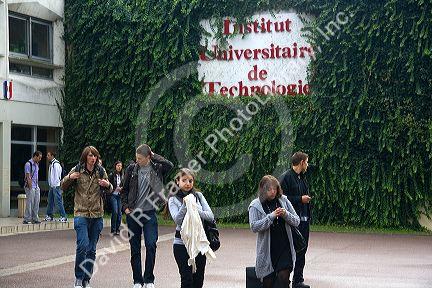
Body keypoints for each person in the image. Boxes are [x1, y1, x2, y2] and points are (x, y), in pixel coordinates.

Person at [122, 144, 173, 288]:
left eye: (140, 158)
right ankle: (137, 280)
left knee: (151, 244)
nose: (137, 160)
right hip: (134, 214)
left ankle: (149, 279)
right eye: (136, 157)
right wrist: (125, 207)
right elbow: (124, 191)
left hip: (150, 213)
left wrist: (154, 154)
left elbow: (169, 165)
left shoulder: (157, 168)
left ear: (148, 157)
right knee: (135, 248)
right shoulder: (131, 169)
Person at [61, 146, 113, 288]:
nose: (93, 158)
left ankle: (86, 279)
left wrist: (107, 184)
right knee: (83, 245)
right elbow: (62, 186)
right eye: (90, 156)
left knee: (91, 249)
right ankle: (78, 278)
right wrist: (69, 178)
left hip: (97, 214)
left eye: (95, 156)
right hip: (81, 213)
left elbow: (111, 188)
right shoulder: (77, 169)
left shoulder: (101, 171)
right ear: (85, 157)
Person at [249, 175, 300, 288]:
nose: (273, 192)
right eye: (269, 189)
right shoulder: (255, 205)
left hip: (284, 247)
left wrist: (285, 214)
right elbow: (254, 227)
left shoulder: (283, 200)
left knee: (283, 279)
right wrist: (271, 216)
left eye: (275, 188)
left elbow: (297, 221)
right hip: (268, 250)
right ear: (263, 190)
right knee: (268, 282)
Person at [168, 168, 214, 288]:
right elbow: (178, 220)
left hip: (199, 244)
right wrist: (185, 205)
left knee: (198, 281)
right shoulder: (173, 199)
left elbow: (210, 216)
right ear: (178, 181)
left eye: (190, 180)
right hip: (181, 245)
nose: (188, 183)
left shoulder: (198, 196)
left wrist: (195, 209)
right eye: (184, 180)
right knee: (187, 280)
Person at [279, 152, 312, 288]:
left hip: (304, 220)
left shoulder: (302, 177)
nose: (308, 165)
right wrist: (300, 199)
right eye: (307, 162)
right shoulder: (286, 178)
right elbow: (282, 199)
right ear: (302, 162)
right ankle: (284, 279)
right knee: (290, 250)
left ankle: (298, 280)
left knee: (302, 249)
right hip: (291, 222)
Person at [44, 151, 67, 222]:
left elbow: (57, 176)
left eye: (48, 155)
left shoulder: (56, 164)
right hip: (52, 186)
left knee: (58, 201)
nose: (47, 157)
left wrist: (55, 185)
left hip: (56, 186)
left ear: (52, 156)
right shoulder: (52, 164)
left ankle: (63, 216)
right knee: (50, 201)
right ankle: (49, 215)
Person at [23, 151, 43, 224]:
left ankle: (35, 218)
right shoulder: (28, 164)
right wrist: (31, 187)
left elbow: (36, 176)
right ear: (35, 156)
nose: (40, 159)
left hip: (36, 186)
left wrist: (37, 187)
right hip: (30, 186)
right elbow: (28, 177)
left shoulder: (37, 164)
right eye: (39, 157)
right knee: (30, 202)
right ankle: (27, 218)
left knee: (36, 202)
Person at [108, 160, 124, 236]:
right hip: (113, 195)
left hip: (119, 195)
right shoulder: (111, 175)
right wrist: (114, 188)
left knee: (120, 213)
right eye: (118, 165)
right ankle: (113, 229)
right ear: (115, 166)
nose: (119, 167)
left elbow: (124, 184)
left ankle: (117, 229)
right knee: (115, 211)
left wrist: (121, 188)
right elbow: (108, 185)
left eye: (120, 166)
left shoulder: (122, 175)